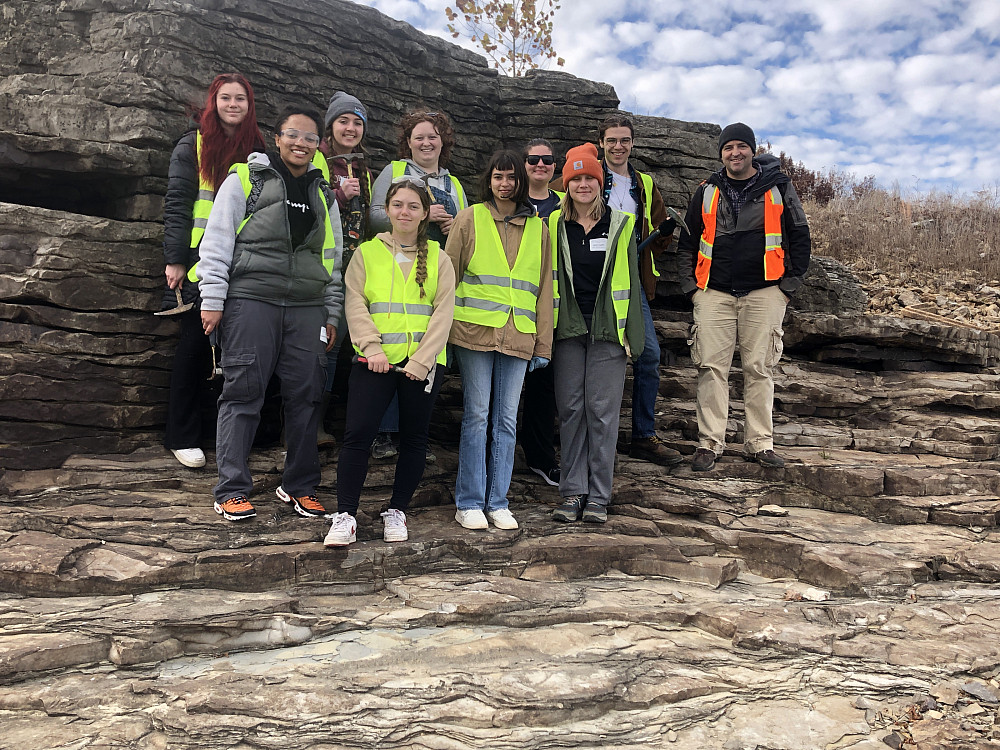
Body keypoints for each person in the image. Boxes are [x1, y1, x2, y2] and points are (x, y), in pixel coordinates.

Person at [197, 106, 344, 521]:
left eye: (310, 138)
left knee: (307, 396)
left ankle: (299, 486)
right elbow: (218, 238)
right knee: (244, 392)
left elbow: (333, 258)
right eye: (292, 134)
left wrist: (332, 313)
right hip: (251, 300)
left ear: (318, 147)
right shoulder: (246, 178)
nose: (301, 143)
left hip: (306, 307)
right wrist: (213, 298)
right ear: (276, 138)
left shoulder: (323, 193)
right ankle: (231, 488)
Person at [324, 178, 455, 546]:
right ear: (386, 210)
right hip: (374, 362)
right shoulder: (367, 253)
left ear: (425, 213)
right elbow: (355, 304)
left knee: (414, 439)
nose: (405, 212)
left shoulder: (440, 259)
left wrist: (423, 360)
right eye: (398, 204)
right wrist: (372, 349)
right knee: (357, 436)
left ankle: (396, 510)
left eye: (413, 206)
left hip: (421, 366)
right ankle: (346, 515)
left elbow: (443, 314)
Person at [677, 122, 811, 472]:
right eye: (728, 147)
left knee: (760, 368)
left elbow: (800, 236)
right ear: (720, 153)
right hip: (713, 293)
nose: (734, 153)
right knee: (710, 369)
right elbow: (687, 243)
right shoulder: (707, 189)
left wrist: (787, 288)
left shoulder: (779, 187)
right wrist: (691, 289)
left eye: (741, 146)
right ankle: (710, 443)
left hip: (765, 292)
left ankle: (760, 443)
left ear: (752, 150)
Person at [161, 73, 265, 469]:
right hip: (198, 261)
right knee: (193, 346)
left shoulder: (258, 149)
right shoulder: (192, 143)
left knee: (235, 351)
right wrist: (175, 259)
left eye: (241, 98)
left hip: (244, 260)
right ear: (213, 101)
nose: (233, 104)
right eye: (226, 98)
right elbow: (178, 202)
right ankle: (182, 435)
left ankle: (224, 436)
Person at [447, 149, 553, 531]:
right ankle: (470, 502)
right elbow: (449, 277)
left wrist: (544, 345)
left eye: (510, 177)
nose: (504, 184)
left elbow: (544, 290)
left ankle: (498, 501)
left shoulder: (539, 229)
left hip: (520, 337)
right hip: (474, 334)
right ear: (488, 180)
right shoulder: (468, 218)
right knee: (477, 417)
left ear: (521, 181)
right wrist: (440, 336)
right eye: (497, 177)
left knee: (507, 421)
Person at [549, 143, 645, 525]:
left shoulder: (621, 224)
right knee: (571, 410)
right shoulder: (553, 225)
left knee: (601, 413)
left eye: (590, 177)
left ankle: (599, 497)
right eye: (576, 178)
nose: (583, 184)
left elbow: (632, 283)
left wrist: (633, 338)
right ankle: (573, 492)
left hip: (609, 330)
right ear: (568, 184)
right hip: (568, 329)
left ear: (599, 182)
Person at [368, 109, 468, 460]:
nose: (426, 143)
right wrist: (424, 213)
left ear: (444, 141)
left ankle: (413, 435)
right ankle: (383, 433)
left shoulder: (453, 183)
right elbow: (375, 214)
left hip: (438, 271)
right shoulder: (395, 171)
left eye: (433, 136)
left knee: (427, 349)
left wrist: (453, 222)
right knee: (395, 346)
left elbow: (466, 230)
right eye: (419, 137)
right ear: (407, 143)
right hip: (398, 269)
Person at [596, 114, 684, 467]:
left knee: (647, 355)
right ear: (601, 142)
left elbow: (661, 238)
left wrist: (662, 234)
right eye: (612, 140)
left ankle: (643, 436)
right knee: (597, 357)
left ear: (633, 144)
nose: (618, 147)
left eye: (625, 140)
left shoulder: (644, 185)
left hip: (631, 280)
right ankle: (594, 438)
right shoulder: (586, 174)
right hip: (591, 280)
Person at [315, 91, 376, 447]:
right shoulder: (320, 160)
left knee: (357, 345)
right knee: (327, 344)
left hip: (357, 269)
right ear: (330, 125)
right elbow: (310, 207)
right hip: (325, 268)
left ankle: (349, 427)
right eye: (343, 121)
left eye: (357, 123)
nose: (351, 128)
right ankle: (309, 425)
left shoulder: (364, 168)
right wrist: (339, 195)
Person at [520, 138, 562, 486]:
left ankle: (540, 458)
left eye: (547, 159)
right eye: (533, 159)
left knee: (544, 387)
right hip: (514, 304)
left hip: (556, 305)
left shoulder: (565, 205)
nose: (540, 164)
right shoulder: (510, 202)